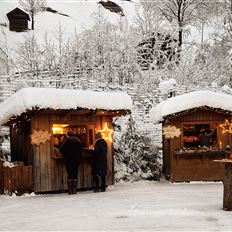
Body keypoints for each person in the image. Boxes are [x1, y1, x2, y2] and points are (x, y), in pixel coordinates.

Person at [60, 130, 83, 195]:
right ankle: (74, 190)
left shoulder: (66, 141)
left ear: (68, 135)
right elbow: (81, 149)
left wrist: (65, 154)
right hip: (76, 160)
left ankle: (70, 191)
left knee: (69, 174)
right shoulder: (78, 141)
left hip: (68, 160)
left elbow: (61, 150)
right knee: (75, 173)